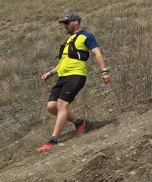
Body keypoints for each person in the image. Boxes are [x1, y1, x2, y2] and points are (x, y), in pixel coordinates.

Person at [37, 13, 111, 152]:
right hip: (62, 76)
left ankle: (52, 140)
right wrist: (51, 72)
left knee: (62, 104)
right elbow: (63, 61)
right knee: (51, 106)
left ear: (76, 22)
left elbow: (97, 53)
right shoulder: (68, 40)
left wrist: (104, 71)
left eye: (67, 23)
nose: (65, 26)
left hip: (76, 75)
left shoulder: (87, 36)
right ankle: (79, 123)